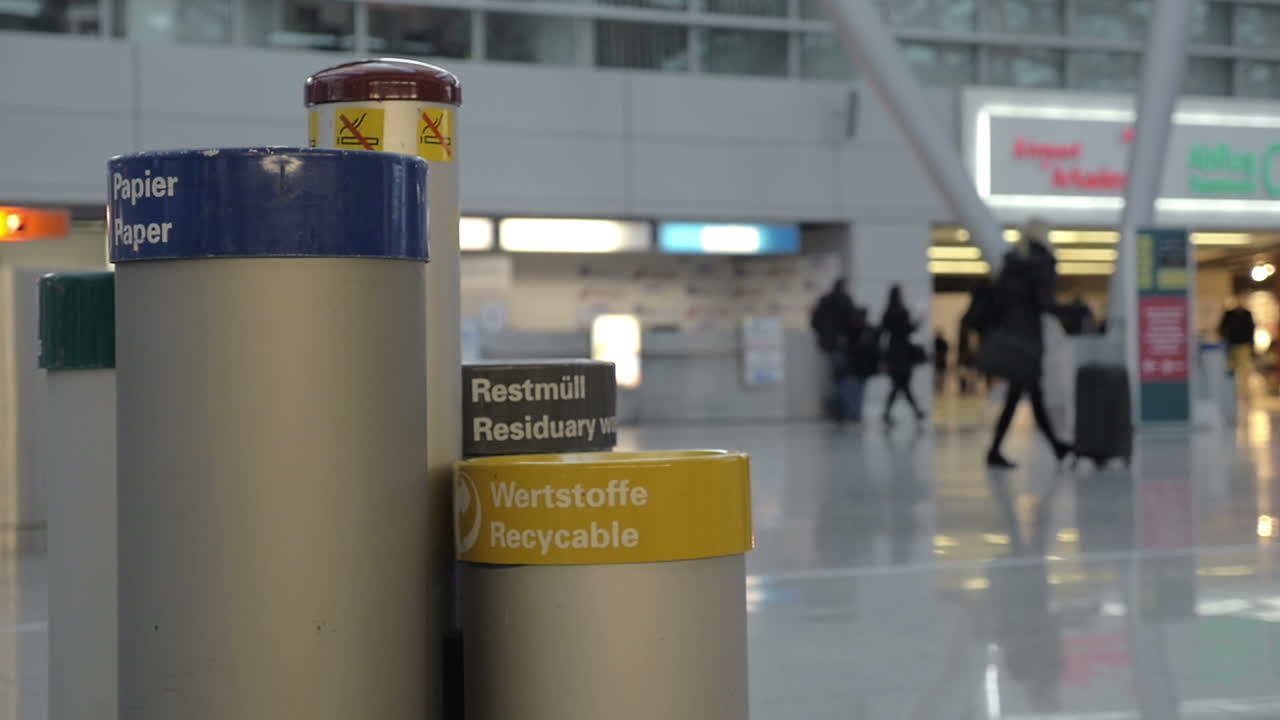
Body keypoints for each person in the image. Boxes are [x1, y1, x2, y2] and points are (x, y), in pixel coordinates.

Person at [987, 220, 1071, 468]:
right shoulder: (1042, 263)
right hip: (1029, 339)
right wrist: (1075, 309)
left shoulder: (1011, 262)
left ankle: (1056, 448)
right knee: (1029, 394)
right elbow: (1044, 303)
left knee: (1027, 395)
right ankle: (1057, 448)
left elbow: (999, 299)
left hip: (1012, 337)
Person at [811, 278, 856, 422]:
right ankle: (841, 409)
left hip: (828, 344)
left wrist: (824, 335)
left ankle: (837, 408)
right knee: (842, 378)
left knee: (837, 378)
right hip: (841, 345)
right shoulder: (845, 300)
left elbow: (815, 321)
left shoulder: (825, 301)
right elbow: (851, 322)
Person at [881, 285, 924, 425]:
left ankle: (914, 411)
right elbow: (908, 329)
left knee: (900, 385)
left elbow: (884, 329)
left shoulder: (888, 312)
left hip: (894, 351)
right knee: (901, 385)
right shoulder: (901, 311)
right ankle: (915, 411)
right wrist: (918, 322)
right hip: (902, 352)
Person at [841, 309, 880, 424]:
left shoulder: (861, 330)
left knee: (856, 392)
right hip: (858, 366)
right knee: (856, 392)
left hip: (859, 366)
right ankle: (854, 414)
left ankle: (854, 414)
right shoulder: (858, 330)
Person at [1219, 298, 1256, 402]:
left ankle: (1244, 393)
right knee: (1231, 370)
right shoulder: (1229, 314)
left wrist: (1251, 345)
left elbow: (1251, 329)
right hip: (1231, 345)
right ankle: (1232, 392)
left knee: (1244, 371)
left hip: (1244, 345)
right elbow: (1222, 328)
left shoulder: (1247, 314)